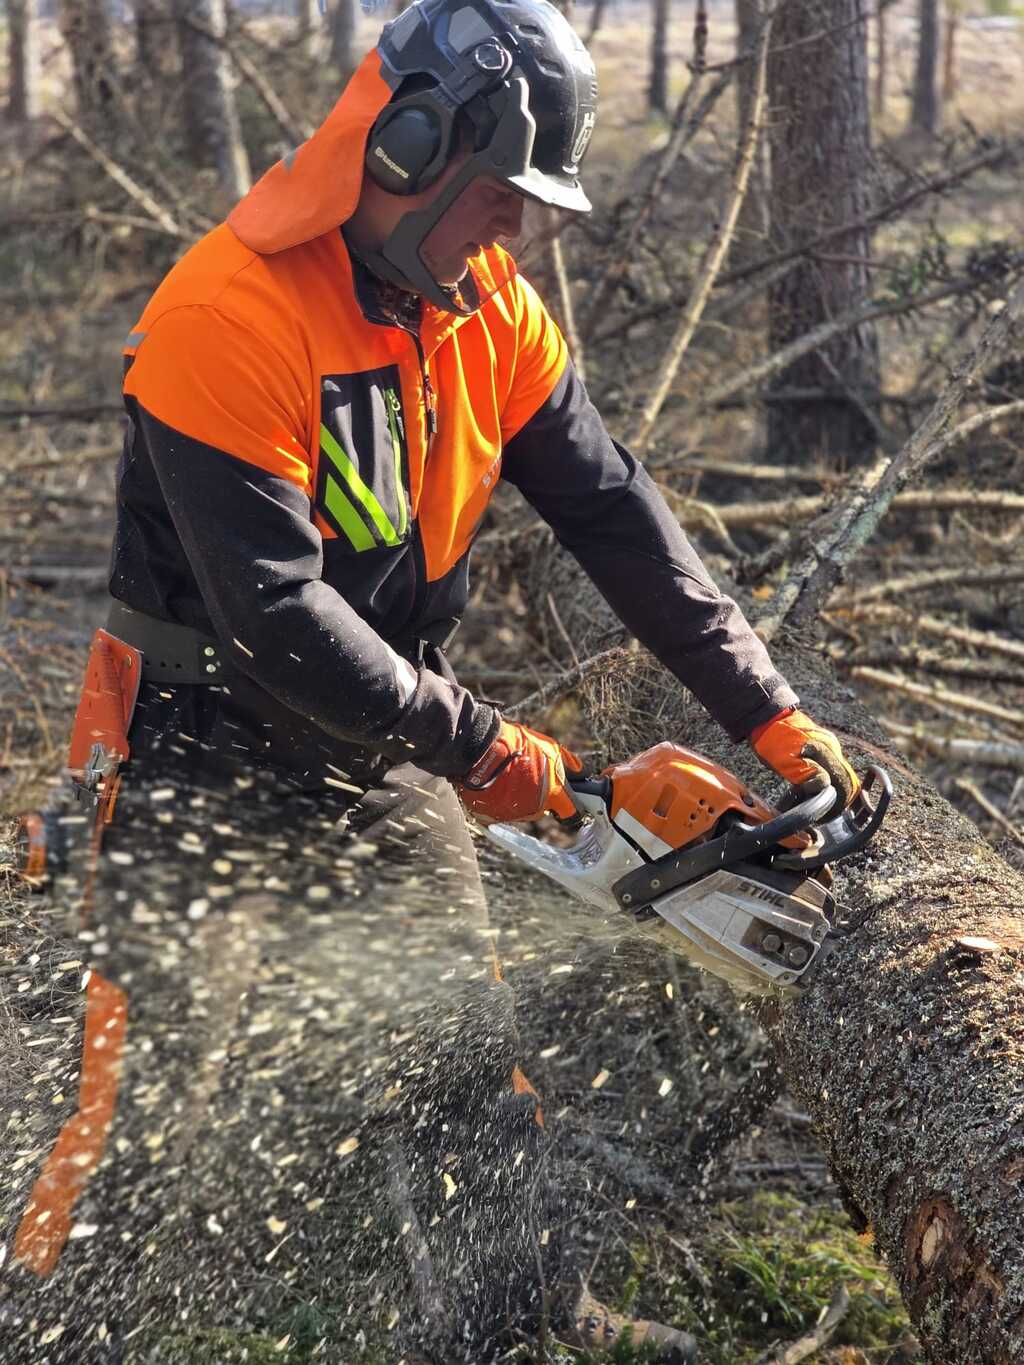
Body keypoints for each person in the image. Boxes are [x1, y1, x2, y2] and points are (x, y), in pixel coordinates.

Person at [8, 0, 859, 1359]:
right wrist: (476, 741)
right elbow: (276, 616)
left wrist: (768, 707)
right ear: (404, 151)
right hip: (198, 742)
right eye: (495, 201)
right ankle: (50, 1326)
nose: (509, 238)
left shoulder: (483, 311)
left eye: (527, 209)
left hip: (384, 735)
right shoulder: (223, 313)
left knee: (465, 1047)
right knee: (148, 1083)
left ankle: (519, 1321)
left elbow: (611, 507)